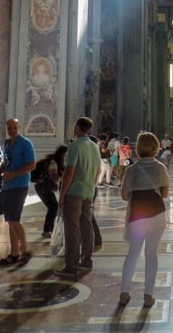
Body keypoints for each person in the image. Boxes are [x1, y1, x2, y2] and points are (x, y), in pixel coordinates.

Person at [118, 131, 170, 309]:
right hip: (157, 214)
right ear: (156, 147)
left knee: (133, 253)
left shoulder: (131, 170)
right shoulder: (161, 167)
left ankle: (124, 293)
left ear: (138, 148)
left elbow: (124, 196)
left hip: (138, 215)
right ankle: (148, 296)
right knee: (151, 254)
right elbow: (164, 193)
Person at [55, 117, 100, 278]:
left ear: (78, 127)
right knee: (87, 226)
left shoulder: (74, 146)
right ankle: (87, 261)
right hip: (88, 192)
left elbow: (69, 172)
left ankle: (71, 265)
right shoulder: (94, 146)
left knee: (72, 229)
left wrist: (62, 194)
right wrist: (92, 187)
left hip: (74, 193)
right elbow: (98, 171)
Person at [0, 118, 36, 267]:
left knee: (14, 220)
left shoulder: (26, 144)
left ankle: (25, 250)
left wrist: (14, 174)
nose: (12, 130)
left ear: (19, 127)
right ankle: (14, 253)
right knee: (10, 221)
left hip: (19, 186)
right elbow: (6, 162)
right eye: (9, 128)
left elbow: (32, 165)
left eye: (14, 128)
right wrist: (3, 172)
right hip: (7, 186)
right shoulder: (6, 144)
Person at [34, 145, 66, 239]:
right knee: (53, 207)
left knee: (53, 207)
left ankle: (50, 229)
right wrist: (62, 177)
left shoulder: (54, 161)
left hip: (43, 187)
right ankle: (47, 230)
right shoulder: (53, 162)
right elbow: (54, 176)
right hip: (43, 187)